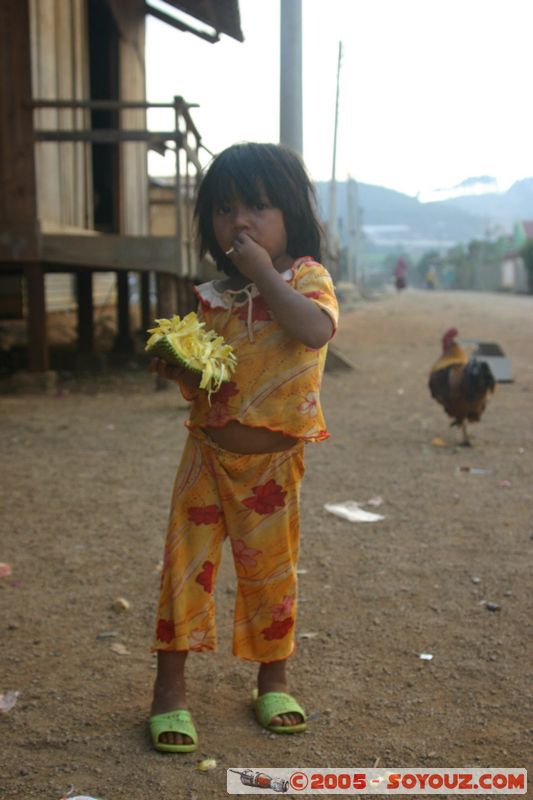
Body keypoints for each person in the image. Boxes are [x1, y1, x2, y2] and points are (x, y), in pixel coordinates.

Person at [148, 142, 339, 753]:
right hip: (206, 456)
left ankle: (273, 680)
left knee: (270, 577)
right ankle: (169, 692)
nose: (241, 223)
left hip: (272, 465)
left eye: (259, 206)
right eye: (226, 209)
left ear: (293, 216)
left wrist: (263, 274)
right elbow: (202, 378)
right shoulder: (213, 297)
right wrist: (175, 362)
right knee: (185, 571)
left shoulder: (307, 280)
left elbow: (313, 331)